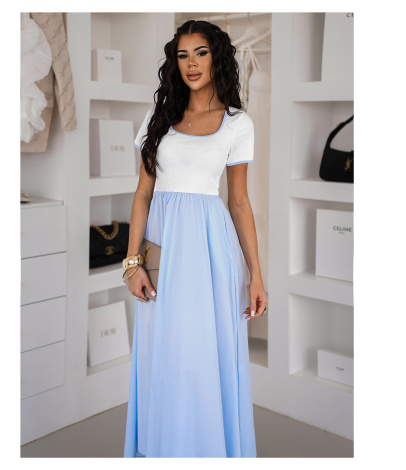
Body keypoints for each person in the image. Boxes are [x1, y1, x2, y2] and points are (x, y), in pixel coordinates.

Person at [122, 19, 268, 458]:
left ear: (216, 57)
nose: (191, 63)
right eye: (183, 55)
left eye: (200, 53)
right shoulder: (158, 119)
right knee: (165, 353)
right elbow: (142, 194)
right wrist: (131, 263)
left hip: (210, 252)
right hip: (162, 248)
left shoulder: (237, 123)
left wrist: (257, 275)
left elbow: (239, 201)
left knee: (203, 356)